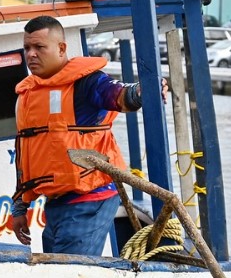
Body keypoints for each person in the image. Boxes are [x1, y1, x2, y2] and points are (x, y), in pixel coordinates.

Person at [10, 14, 143, 256]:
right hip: (55, 203)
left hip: (91, 197)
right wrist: (19, 206)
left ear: (61, 48)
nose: (31, 54)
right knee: (54, 268)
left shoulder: (86, 83)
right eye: (27, 47)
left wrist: (140, 93)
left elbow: (117, 95)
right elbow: (24, 154)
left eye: (39, 47)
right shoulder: (28, 94)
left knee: (68, 272)